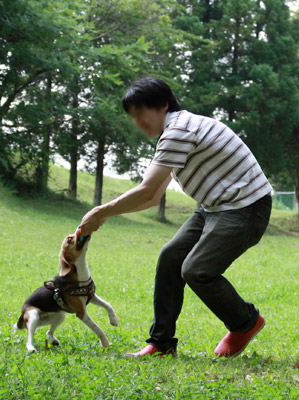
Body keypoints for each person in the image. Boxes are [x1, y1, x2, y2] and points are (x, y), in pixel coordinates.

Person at [79, 76, 273, 358]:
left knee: (196, 269)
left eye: (140, 113)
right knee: (171, 257)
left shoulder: (178, 131)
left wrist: (101, 212)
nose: (137, 122)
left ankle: (246, 322)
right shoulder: (176, 132)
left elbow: (146, 191)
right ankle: (161, 343)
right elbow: (154, 196)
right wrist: (107, 214)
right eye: (133, 116)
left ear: (163, 105)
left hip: (245, 207)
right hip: (215, 207)